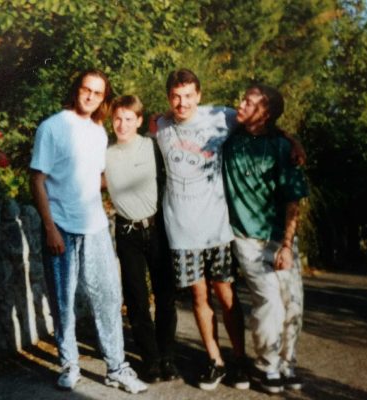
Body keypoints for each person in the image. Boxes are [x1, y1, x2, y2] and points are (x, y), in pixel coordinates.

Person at [30, 69, 147, 394]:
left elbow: (95, 179)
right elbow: (37, 180)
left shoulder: (98, 131)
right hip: (61, 228)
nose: (91, 97)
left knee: (108, 296)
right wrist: (50, 228)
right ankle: (69, 365)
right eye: (86, 89)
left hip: (94, 226)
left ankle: (117, 368)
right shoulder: (52, 127)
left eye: (98, 93)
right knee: (63, 301)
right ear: (76, 89)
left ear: (103, 98)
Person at [152, 69, 249, 391]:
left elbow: (260, 120)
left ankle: (239, 360)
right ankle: (215, 361)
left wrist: (291, 141)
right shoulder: (159, 125)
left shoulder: (221, 117)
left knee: (226, 293)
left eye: (188, 96)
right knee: (198, 296)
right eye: (176, 97)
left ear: (199, 95)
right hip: (182, 231)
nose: (182, 103)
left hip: (217, 229)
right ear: (168, 98)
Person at [223, 84, 308, 394]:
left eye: (249, 101)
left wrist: (286, 245)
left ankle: (287, 363)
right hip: (245, 236)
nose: (240, 104)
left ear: (266, 112)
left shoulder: (282, 148)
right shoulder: (229, 137)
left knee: (293, 303)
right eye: (242, 98)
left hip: (279, 237)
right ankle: (266, 365)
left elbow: (293, 201)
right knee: (269, 300)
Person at [104, 95, 179, 383]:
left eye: (128, 119)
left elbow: (178, 121)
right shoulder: (105, 153)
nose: (122, 125)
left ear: (138, 120)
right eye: (117, 119)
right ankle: (150, 360)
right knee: (136, 298)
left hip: (157, 227)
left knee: (165, 295)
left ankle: (167, 356)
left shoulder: (152, 145)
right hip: (127, 232)